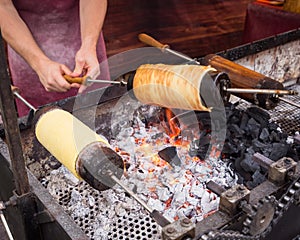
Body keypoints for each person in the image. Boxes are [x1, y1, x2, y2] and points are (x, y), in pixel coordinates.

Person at [0, 0, 109, 116]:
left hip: (87, 44)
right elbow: (3, 7)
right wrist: (39, 63)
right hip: (27, 54)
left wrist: (89, 45)